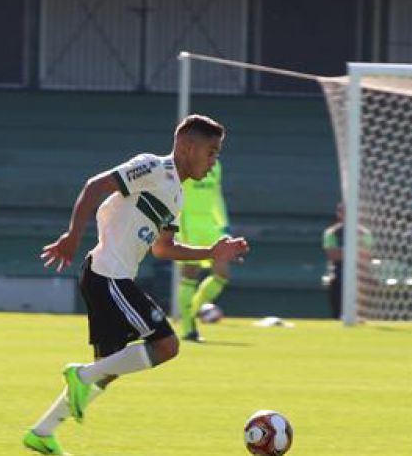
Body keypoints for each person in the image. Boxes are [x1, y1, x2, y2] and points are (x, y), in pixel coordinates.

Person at [23, 114, 250, 455]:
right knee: (166, 346)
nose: (214, 160)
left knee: (109, 370)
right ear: (188, 147)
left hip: (111, 277)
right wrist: (72, 235)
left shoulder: (177, 196)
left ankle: (42, 432)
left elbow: (163, 248)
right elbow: (95, 186)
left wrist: (212, 251)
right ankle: (80, 375)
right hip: (107, 275)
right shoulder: (153, 167)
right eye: (212, 151)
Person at [175, 158, 231, 342]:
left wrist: (224, 225)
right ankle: (188, 328)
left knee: (222, 274)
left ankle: (193, 309)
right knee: (190, 274)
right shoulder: (182, 162)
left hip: (210, 225)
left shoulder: (216, 165)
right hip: (188, 223)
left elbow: (216, 194)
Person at [321, 202, 372, 319]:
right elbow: (333, 255)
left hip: (360, 271)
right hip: (339, 271)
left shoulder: (364, 233)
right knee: (336, 280)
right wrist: (355, 251)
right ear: (339, 214)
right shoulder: (331, 233)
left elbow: (366, 255)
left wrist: (344, 252)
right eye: (343, 212)